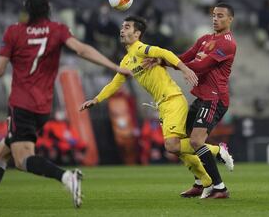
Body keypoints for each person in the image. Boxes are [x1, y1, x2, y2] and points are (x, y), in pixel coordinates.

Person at [0, 0, 132, 216]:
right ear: (48, 7)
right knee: (0, 153)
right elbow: (82, 50)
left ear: (26, 9)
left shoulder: (14, 32)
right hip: (44, 107)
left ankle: (66, 176)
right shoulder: (57, 30)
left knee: (21, 159)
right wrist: (115, 67)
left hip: (21, 104)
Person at [79, 16, 234, 197]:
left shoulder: (142, 49)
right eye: (122, 27)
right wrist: (96, 99)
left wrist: (184, 68)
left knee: (172, 146)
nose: (122, 30)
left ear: (137, 34)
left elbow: (164, 52)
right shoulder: (126, 61)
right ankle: (203, 182)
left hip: (173, 99)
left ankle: (218, 150)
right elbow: (114, 83)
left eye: (127, 27)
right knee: (180, 150)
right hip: (162, 104)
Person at [143, 2, 237, 199]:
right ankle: (200, 182)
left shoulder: (228, 43)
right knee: (180, 141)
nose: (215, 19)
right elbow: (184, 57)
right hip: (202, 97)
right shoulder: (204, 39)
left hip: (215, 99)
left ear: (230, 19)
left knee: (195, 141)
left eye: (220, 16)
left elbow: (202, 65)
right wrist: (162, 61)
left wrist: (182, 66)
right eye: (213, 15)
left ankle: (220, 188)